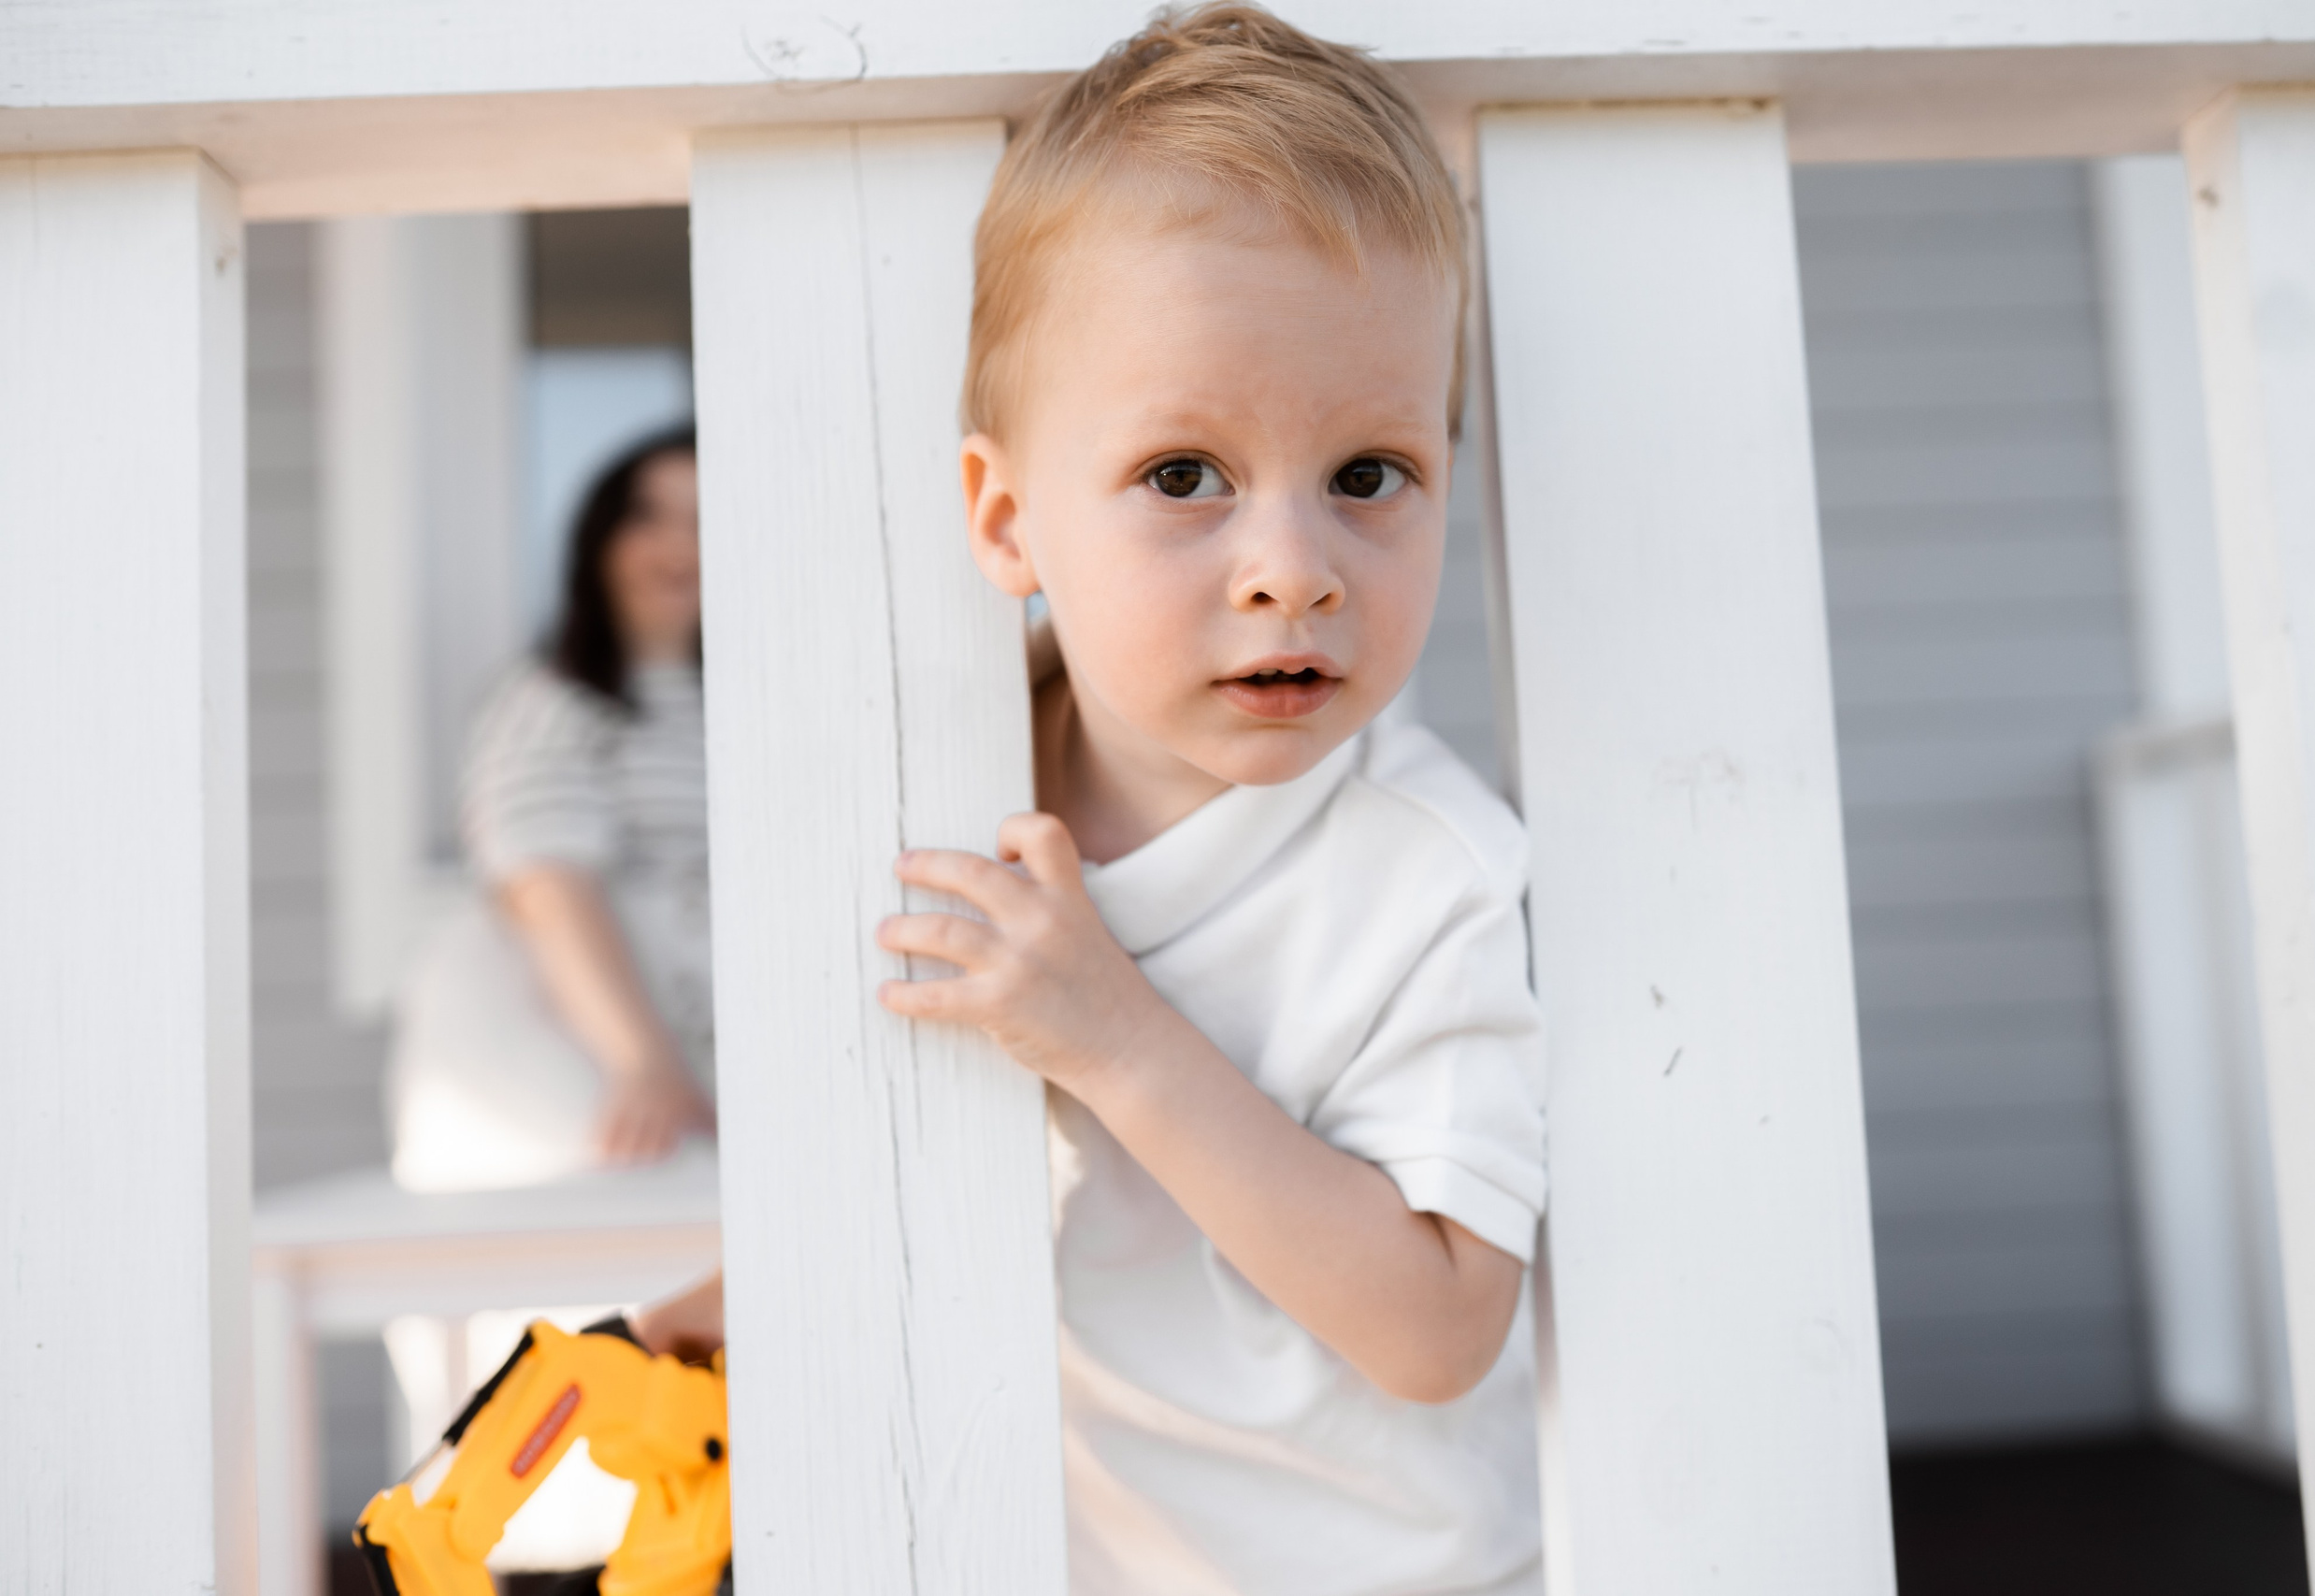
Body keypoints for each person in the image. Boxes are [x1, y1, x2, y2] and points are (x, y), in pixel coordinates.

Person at [635, 8, 1546, 1590]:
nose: (1292, 568)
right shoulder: (947, 780)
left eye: (1370, 472)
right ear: (1006, 517)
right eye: (1184, 475)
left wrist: (1115, 1036)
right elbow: (970, 1140)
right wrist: (770, 1277)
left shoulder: (1426, 872)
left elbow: (1441, 1324)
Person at [387, 426, 717, 1192]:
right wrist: (645, 1066)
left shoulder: (739, 708)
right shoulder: (550, 705)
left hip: (695, 1069)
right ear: (600, 539)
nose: (677, 545)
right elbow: (546, 887)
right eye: (650, 516)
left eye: (703, 520)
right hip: (590, 1071)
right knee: (597, 1306)